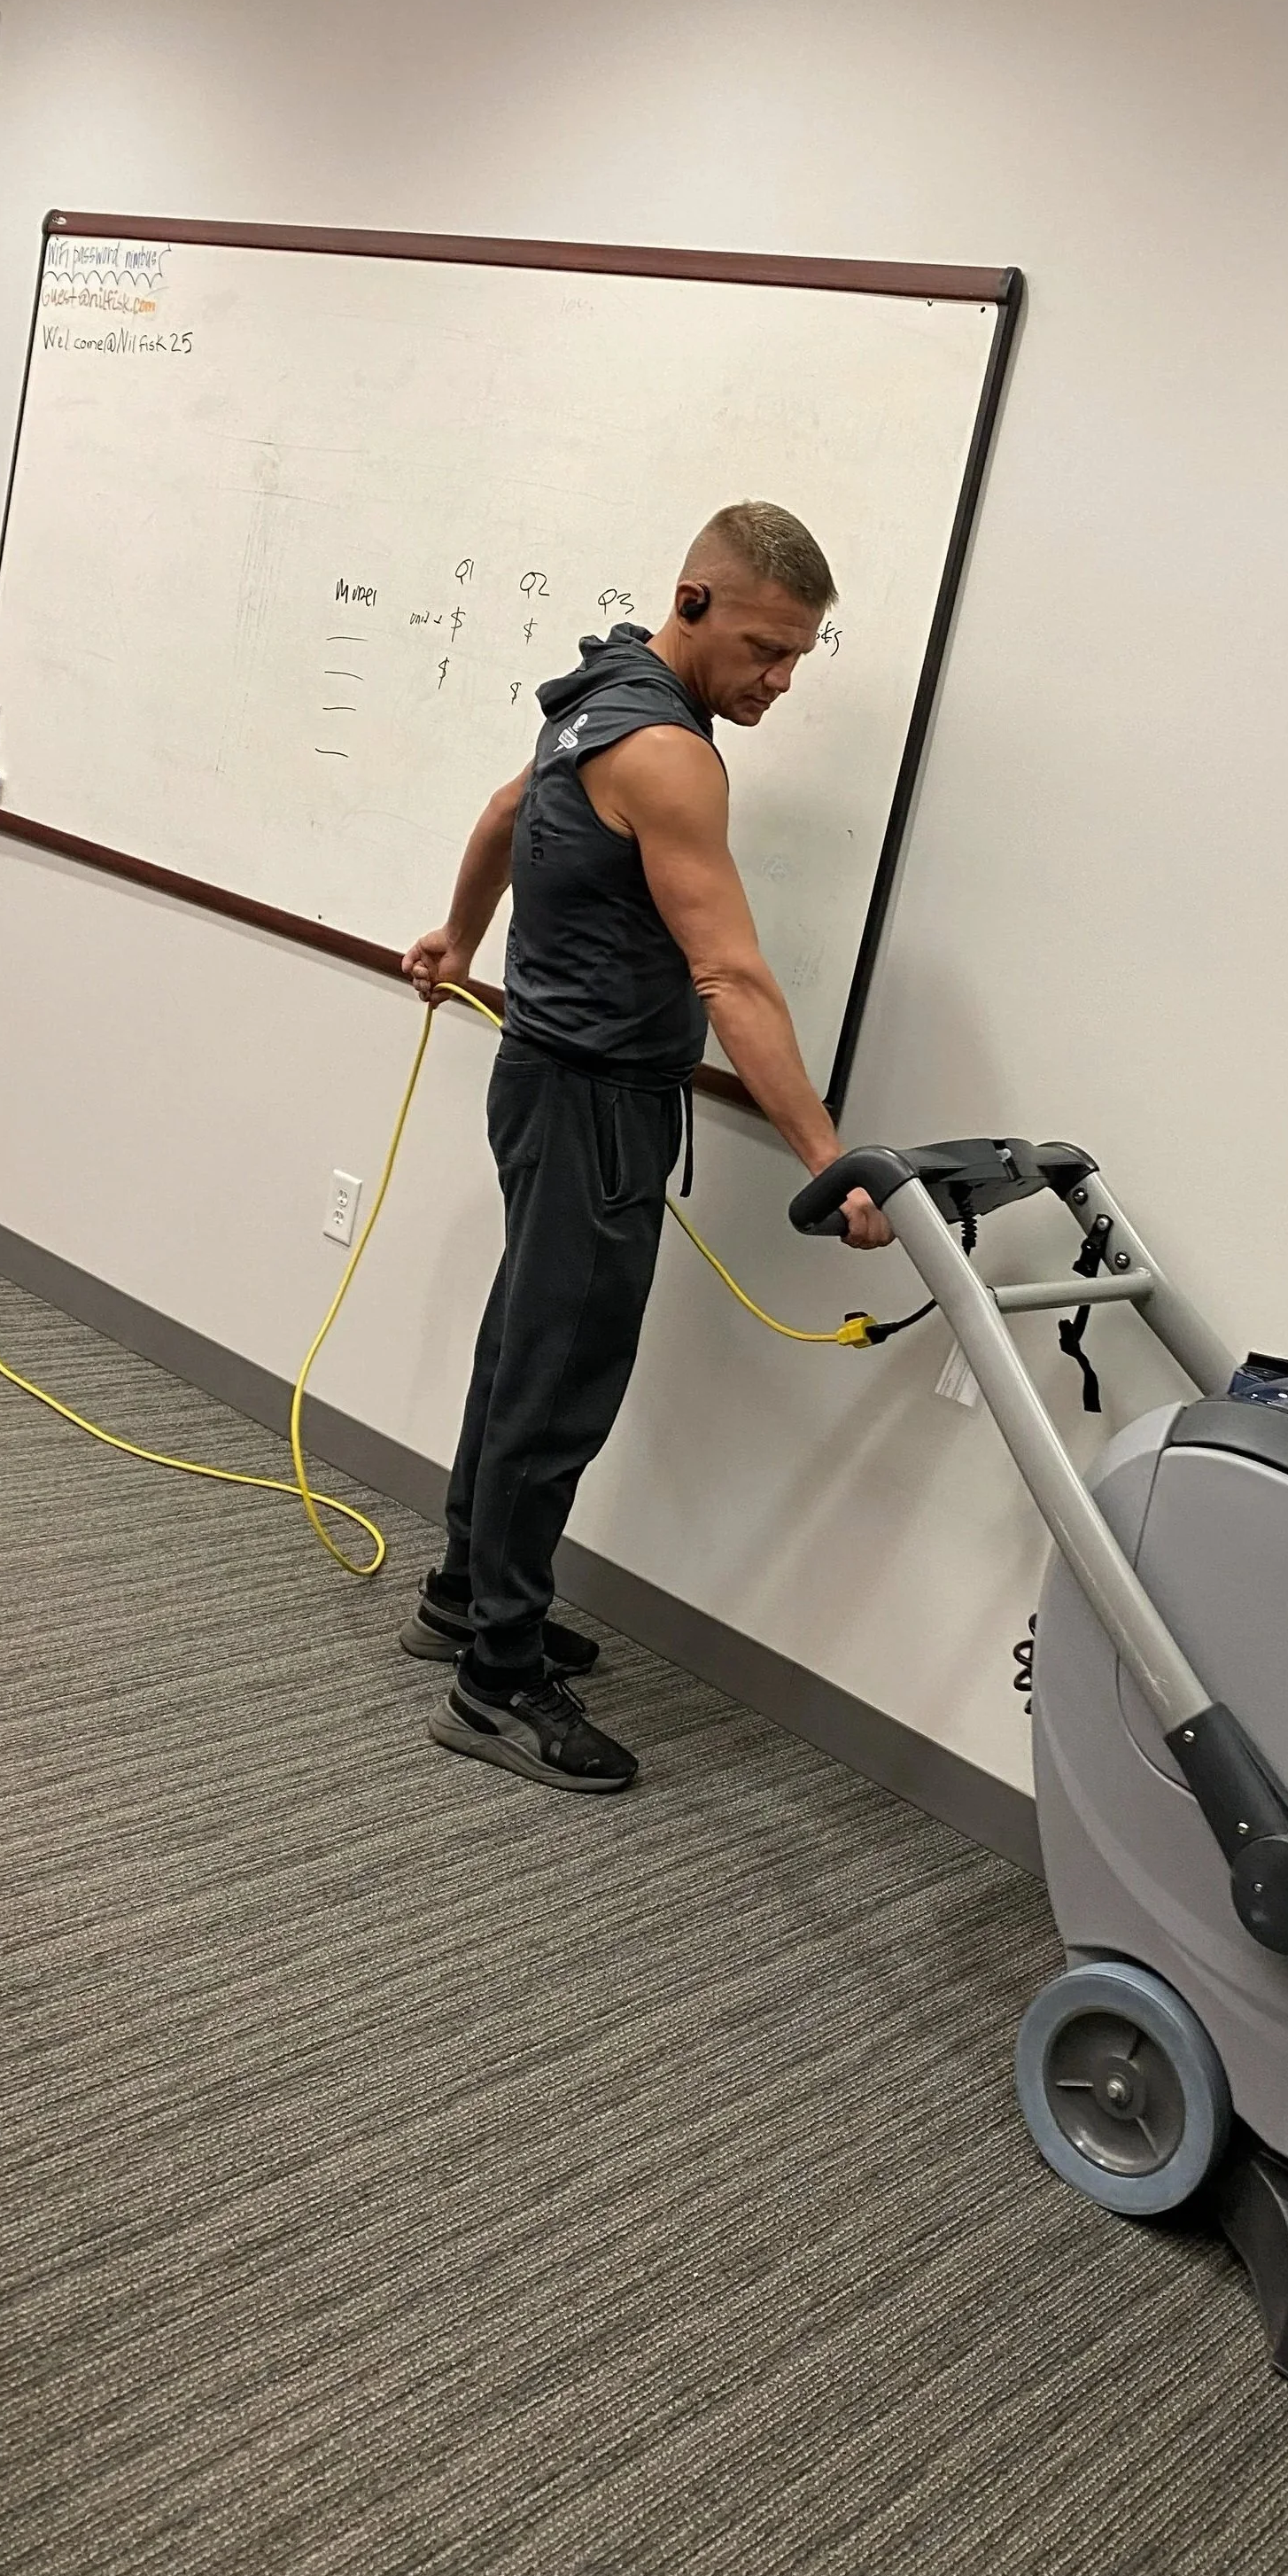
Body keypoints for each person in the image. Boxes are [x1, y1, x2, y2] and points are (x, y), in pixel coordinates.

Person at [400, 501, 893, 1797]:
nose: (782, 682)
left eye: (799, 657)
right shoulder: (670, 755)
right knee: (557, 1386)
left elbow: (509, 811)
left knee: (523, 1345)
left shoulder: (599, 694)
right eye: (767, 649)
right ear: (693, 605)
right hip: (596, 1107)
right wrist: (826, 1158)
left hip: (546, 1084)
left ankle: (466, 1593)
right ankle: (497, 1681)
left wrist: (458, 936)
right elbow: (729, 975)